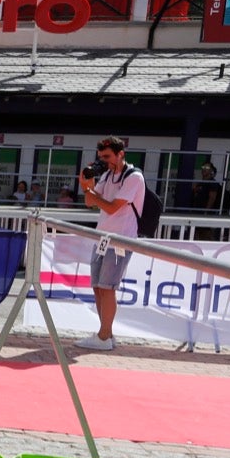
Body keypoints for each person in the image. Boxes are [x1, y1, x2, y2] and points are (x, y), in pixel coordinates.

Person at [76, 135, 144, 351]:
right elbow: (90, 202)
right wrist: (87, 186)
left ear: (120, 154)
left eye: (107, 157)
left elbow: (113, 207)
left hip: (120, 240)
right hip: (103, 238)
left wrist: (91, 192)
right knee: (98, 287)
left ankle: (104, 337)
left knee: (108, 288)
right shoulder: (107, 175)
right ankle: (107, 334)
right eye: (101, 157)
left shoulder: (134, 177)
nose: (103, 161)